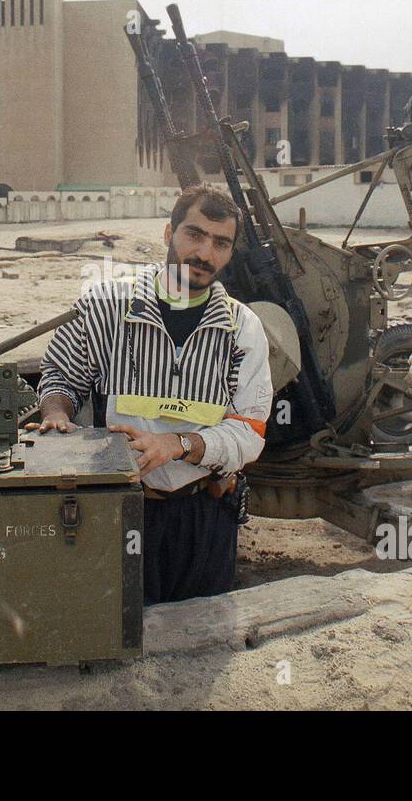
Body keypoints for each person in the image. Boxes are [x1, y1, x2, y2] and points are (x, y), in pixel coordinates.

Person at [35, 184, 273, 604]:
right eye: (194, 235)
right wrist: (57, 412)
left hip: (206, 513)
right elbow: (60, 377)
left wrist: (178, 445)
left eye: (221, 243)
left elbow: (249, 431)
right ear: (168, 233)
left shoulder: (243, 327)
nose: (205, 254)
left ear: (231, 252)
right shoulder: (106, 305)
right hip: (119, 511)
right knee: (123, 640)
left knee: (201, 640)